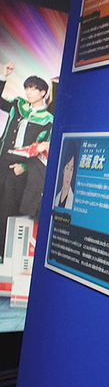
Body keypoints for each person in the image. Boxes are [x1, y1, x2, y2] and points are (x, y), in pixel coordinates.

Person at [0, 62, 53, 255]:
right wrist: (3, 77)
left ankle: (4, 254)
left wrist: (24, 166)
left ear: (43, 92)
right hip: (2, 160)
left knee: (8, 210)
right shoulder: (18, 105)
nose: (28, 92)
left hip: (19, 168)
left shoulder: (48, 120)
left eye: (33, 89)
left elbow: (44, 153)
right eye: (27, 88)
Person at [54, 141, 79, 210]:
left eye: (71, 169)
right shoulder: (56, 197)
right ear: (63, 169)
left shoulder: (73, 200)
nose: (68, 175)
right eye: (67, 168)